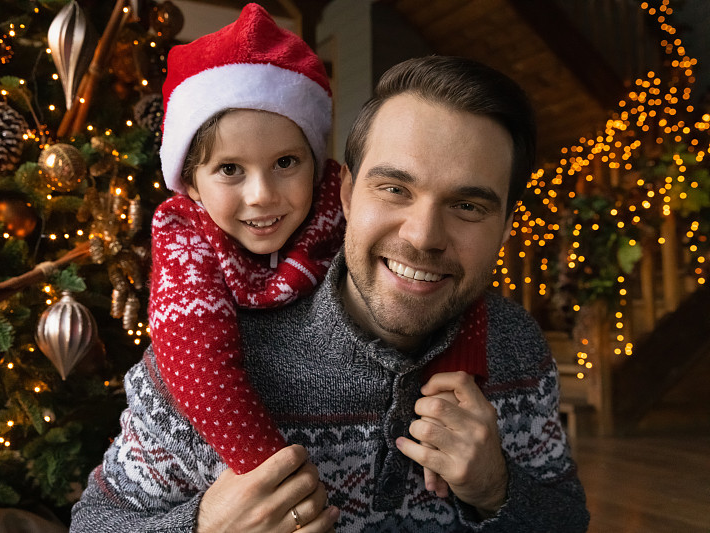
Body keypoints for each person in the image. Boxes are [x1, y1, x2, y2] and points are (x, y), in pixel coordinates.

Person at [71, 55, 590, 532]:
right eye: (394, 189)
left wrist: (497, 488)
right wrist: (203, 527)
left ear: (504, 229)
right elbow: (92, 524)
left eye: (468, 206)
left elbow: (568, 519)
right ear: (344, 192)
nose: (422, 236)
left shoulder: (517, 346)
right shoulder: (206, 362)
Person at [148, 3, 344, 475]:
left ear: (316, 165)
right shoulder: (184, 236)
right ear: (190, 183)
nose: (261, 196)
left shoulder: (349, 211)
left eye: (285, 163)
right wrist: (273, 473)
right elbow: (196, 363)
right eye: (230, 169)